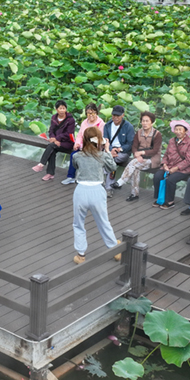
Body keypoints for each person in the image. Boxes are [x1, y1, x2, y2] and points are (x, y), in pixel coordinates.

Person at [71, 127, 121, 264]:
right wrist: (106, 149)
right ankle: (115, 249)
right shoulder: (103, 155)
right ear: (99, 140)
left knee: (78, 223)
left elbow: (76, 166)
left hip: (81, 190)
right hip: (97, 191)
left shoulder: (77, 156)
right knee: (103, 221)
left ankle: (81, 255)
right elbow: (113, 168)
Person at [111, 111, 163, 202]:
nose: (145, 123)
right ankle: (134, 194)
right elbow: (134, 146)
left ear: (152, 122)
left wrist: (141, 153)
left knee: (134, 163)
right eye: (143, 121)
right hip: (140, 159)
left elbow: (155, 150)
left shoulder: (157, 134)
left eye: (147, 121)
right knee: (135, 168)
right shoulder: (139, 133)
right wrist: (136, 154)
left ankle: (121, 181)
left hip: (153, 159)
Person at [153, 121, 190, 209]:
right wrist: (164, 164)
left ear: (185, 131)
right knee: (157, 176)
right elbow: (166, 154)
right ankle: (159, 198)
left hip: (183, 168)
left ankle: (170, 201)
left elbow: (188, 160)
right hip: (169, 166)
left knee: (171, 180)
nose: (178, 131)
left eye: (180, 129)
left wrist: (176, 168)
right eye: (176, 129)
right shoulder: (172, 141)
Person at [31, 99, 76, 181]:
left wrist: (57, 139)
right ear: (56, 109)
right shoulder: (54, 118)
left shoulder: (70, 120)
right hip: (55, 142)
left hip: (67, 142)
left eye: (64, 108)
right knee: (52, 149)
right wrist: (52, 138)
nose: (62, 110)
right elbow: (51, 130)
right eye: (60, 108)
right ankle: (50, 173)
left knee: (51, 146)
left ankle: (41, 165)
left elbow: (69, 134)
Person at [61, 103, 105, 185]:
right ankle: (71, 177)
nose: (91, 115)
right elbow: (80, 135)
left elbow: (100, 139)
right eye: (88, 113)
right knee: (73, 155)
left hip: (94, 148)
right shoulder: (84, 122)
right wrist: (77, 144)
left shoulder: (101, 124)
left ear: (96, 113)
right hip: (82, 147)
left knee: (87, 158)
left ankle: (87, 178)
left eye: (93, 113)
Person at [102, 105, 134, 196]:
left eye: (118, 116)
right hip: (109, 150)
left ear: (123, 115)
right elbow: (105, 140)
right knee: (109, 160)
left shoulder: (128, 127)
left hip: (122, 152)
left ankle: (107, 188)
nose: (115, 118)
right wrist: (110, 150)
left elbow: (130, 143)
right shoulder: (107, 125)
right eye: (114, 115)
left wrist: (119, 149)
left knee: (111, 160)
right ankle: (108, 187)